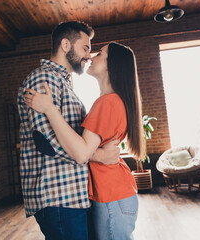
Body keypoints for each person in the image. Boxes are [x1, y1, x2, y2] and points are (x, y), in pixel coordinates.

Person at [25, 42, 145, 240]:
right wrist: (102, 155)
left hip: (112, 196)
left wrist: (49, 109)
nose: (91, 57)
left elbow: (81, 152)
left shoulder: (107, 102)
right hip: (115, 194)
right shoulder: (112, 100)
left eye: (99, 54)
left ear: (110, 65)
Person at [17, 21, 120, 240]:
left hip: (72, 195)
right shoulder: (43, 79)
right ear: (65, 45)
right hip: (57, 196)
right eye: (85, 47)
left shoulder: (63, 83)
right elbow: (46, 141)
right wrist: (98, 155)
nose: (89, 55)